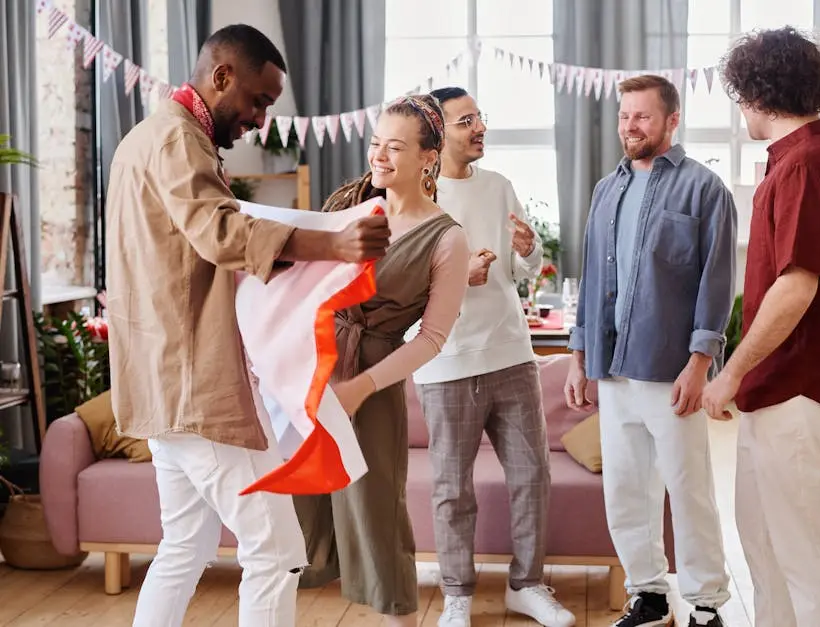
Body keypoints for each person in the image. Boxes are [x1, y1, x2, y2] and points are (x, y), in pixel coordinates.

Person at [105, 24, 391, 627]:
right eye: (259, 101)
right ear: (222, 76)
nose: (261, 119)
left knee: (185, 547)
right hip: (193, 385)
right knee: (279, 552)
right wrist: (334, 244)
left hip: (161, 383)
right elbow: (221, 235)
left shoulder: (145, 137)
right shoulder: (178, 140)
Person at [703, 27, 820, 627]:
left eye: (741, 93)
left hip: (801, 385)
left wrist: (728, 374)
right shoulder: (795, 161)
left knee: (806, 553)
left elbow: (796, 287)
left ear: (761, 92)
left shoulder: (808, 164)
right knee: (765, 543)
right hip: (779, 385)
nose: (740, 106)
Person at [292, 94, 472, 627]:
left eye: (395, 147)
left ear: (428, 158)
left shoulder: (448, 238)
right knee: (294, 511)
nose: (380, 157)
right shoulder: (347, 207)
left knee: (375, 516)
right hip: (312, 369)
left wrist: (359, 388)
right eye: (375, 144)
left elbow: (430, 339)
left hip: (370, 383)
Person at [564, 74, 736, 627]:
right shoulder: (604, 190)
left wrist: (700, 364)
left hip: (671, 370)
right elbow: (590, 277)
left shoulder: (705, 190)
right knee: (626, 489)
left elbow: (716, 281)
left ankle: (706, 604)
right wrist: (578, 355)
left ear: (670, 120)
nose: (630, 126)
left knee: (689, 491)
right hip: (612, 370)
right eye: (624, 116)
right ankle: (650, 595)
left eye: (641, 115)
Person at [401, 86, 577, 627]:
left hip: (511, 354)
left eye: (480, 117)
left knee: (532, 476)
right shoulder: (410, 201)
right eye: (465, 121)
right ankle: (456, 593)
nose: (479, 127)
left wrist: (529, 251)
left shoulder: (499, 186)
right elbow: (398, 290)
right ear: (436, 132)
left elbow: (523, 271)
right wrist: (458, 278)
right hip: (446, 362)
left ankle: (527, 584)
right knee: (452, 488)